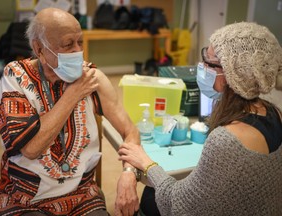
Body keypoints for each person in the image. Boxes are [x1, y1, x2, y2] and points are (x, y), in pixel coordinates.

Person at [118, 22, 282, 216]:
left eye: (209, 63)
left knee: (148, 195)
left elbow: (178, 205)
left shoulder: (226, 140)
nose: (201, 67)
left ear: (232, 76)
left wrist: (147, 163)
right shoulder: (274, 112)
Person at [0, 8, 141, 216]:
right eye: (68, 44)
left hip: (82, 195)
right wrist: (73, 94)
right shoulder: (15, 77)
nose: (77, 51)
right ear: (40, 49)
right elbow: (30, 149)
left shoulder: (92, 78)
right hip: (24, 198)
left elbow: (131, 131)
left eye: (79, 42)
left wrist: (128, 173)